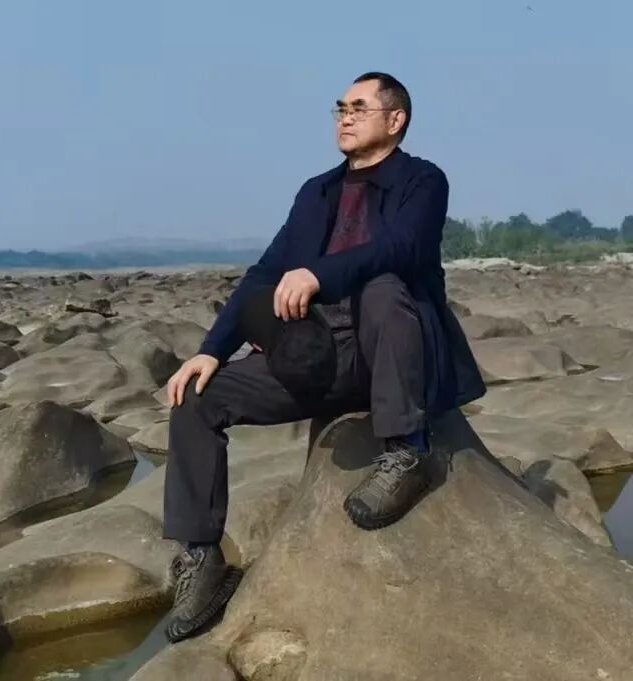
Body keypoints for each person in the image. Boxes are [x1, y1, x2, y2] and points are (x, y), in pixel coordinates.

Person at [161, 71, 486, 642]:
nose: (345, 117)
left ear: (395, 119)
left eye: (359, 107)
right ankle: (203, 560)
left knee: (384, 287)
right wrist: (210, 351)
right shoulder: (316, 191)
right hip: (318, 354)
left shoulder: (422, 180)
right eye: (340, 108)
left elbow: (401, 249)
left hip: (390, 343)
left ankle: (406, 452)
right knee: (195, 399)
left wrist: (316, 273)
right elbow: (265, 272)